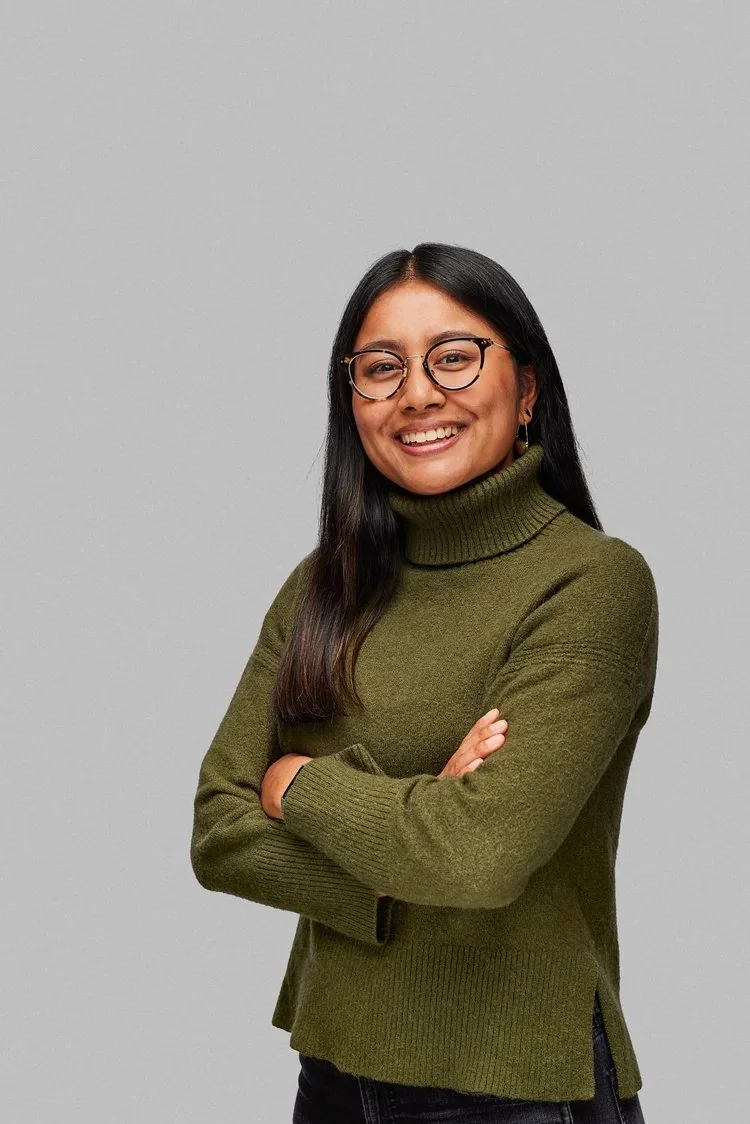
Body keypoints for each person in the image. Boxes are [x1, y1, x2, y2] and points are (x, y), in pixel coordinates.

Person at [190, 242, 657, 1123]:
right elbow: (217, 829)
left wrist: (299, 783)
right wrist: (410, 837)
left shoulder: (593, 584)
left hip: (514, 1086)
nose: (416, 394)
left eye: (453, 356)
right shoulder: (322, 585)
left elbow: (480, 858)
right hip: (331, 1073)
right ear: (352, 401)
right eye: (381, 368)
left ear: (527, 392)